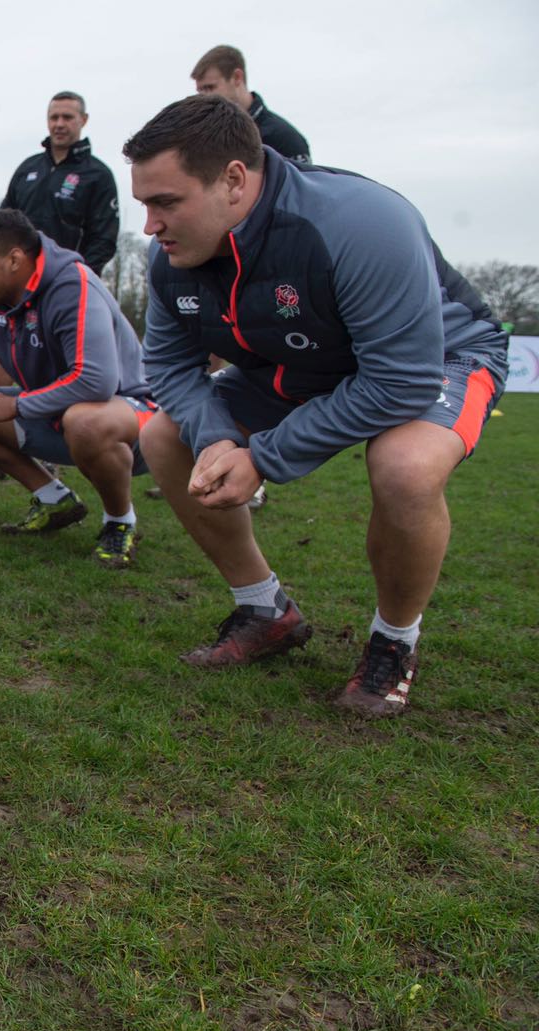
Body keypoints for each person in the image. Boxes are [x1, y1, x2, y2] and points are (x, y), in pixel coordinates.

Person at [126, 94, 507, 716]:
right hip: (304, 365)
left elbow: (399, 383)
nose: (150, 225)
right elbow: (169, 368)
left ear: (234, 180)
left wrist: (263, 457)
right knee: (165, 437)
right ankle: (264, 610)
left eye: (166, 202)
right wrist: (219, 438)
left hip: (436, 358)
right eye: (144, 204)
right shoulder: (169, 256)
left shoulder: (360, 222)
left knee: (405, 468)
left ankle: (393, 641)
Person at [0, 210, 154, 568]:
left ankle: (119, 522)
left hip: (135, 418)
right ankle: (54, 499)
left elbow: (96, 381)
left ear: (14, 259)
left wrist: (17, 405)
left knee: (86, 421)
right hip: (60, 414)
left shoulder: (73, 287)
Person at [0, 92, 121, 479]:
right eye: (54, 117)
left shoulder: (97, 175)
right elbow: (1, 223)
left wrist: (75, 283)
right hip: (18, 295)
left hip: (63, 298)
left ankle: (54, 458)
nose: (59, 124)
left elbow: (104, 238)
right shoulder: (29, 169)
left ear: (83, 120)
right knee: (0, 371)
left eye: (67, 117)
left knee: (62, 379)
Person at [192, 45, 311, 163]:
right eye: (200, 90)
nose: (203, 97)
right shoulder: (203, 136)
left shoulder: (284, 138)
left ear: (237, 77)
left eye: (209, 88)